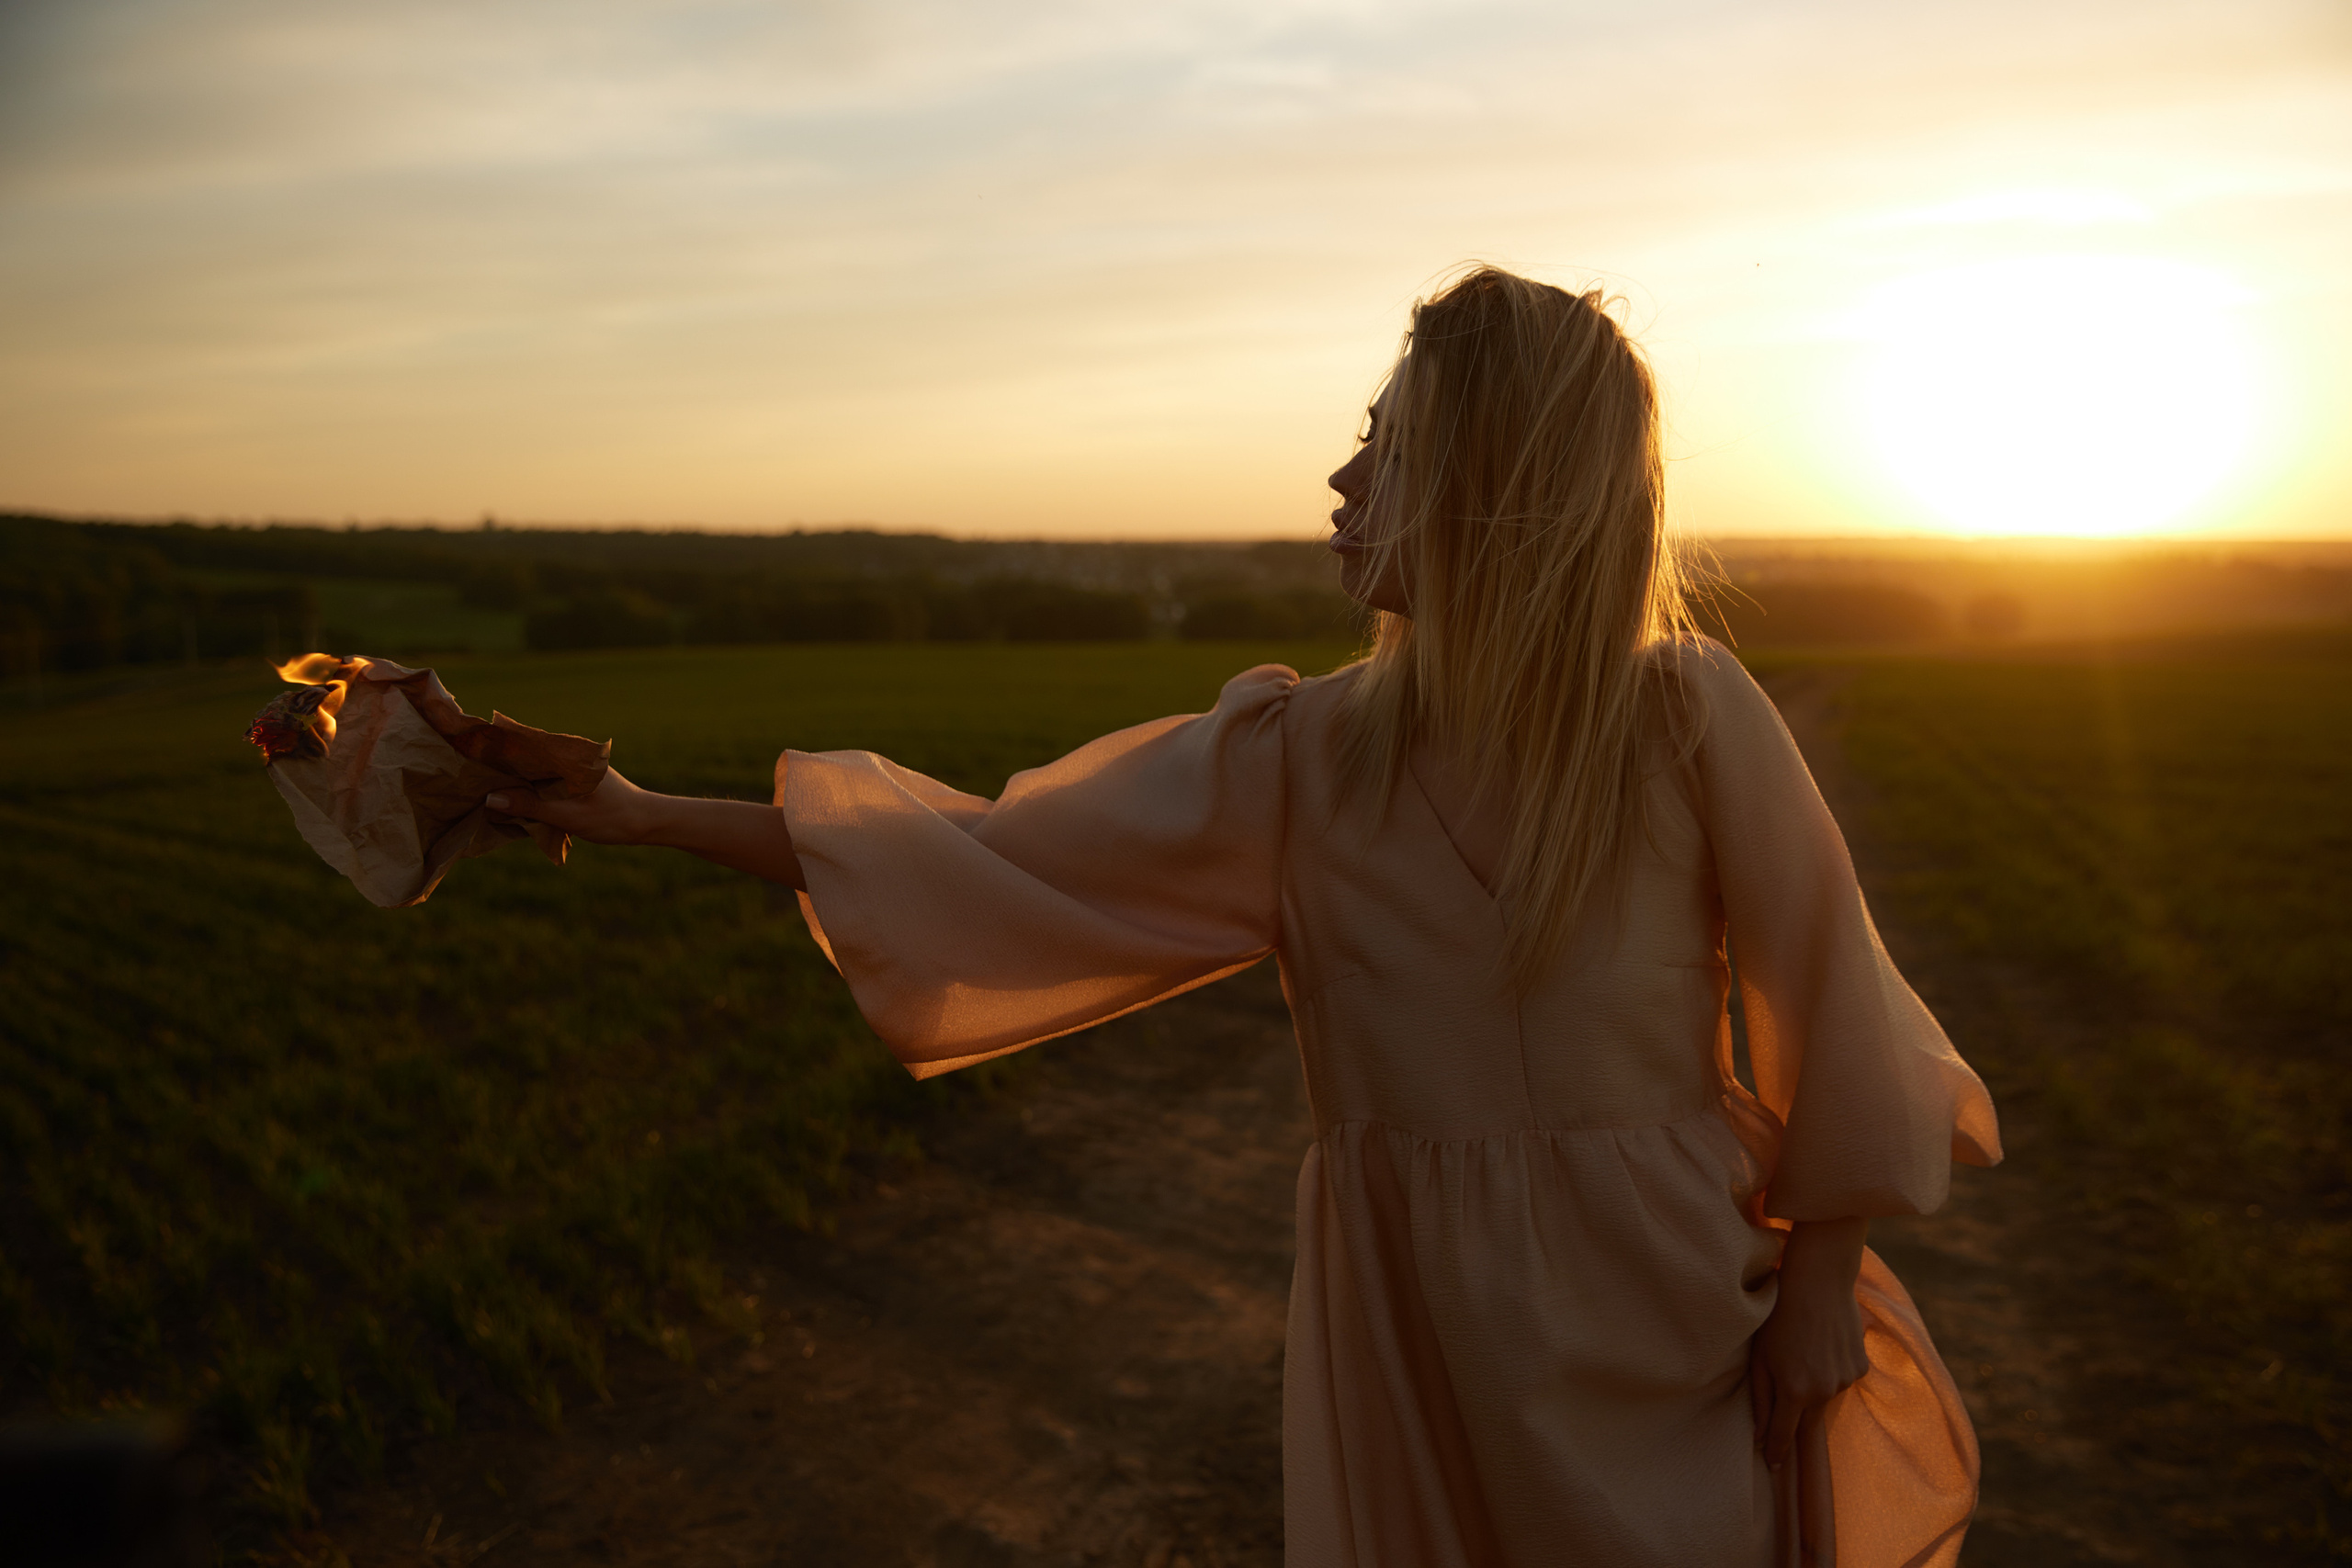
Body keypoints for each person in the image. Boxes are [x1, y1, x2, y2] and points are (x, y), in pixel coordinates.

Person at [491, 265, 2002, 1568]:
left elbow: (1839, 1008)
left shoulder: (1681, 719)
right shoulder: (1305, 759)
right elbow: (976, 859)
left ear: (1492, 478)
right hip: (1420, 1326)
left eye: (1386, 445)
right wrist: (636, 810)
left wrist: (1819, 1289)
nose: (1341, 479)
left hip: (1673, 1314)